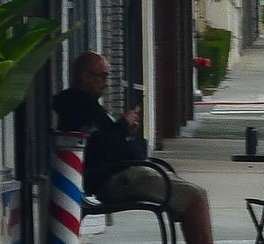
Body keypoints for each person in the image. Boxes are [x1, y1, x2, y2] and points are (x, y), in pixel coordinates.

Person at [52, 51, 214, 244]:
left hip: (129, 173)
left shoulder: (87, 106)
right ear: (84, 76)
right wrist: (121, 126)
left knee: (192, 196)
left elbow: (104, 141)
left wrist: (125, 132)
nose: (106, 82)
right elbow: (96, 146)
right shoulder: (76, 105)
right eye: (102, 76)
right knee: (195, 198)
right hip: (119, 178)